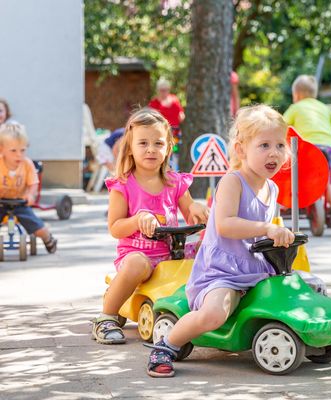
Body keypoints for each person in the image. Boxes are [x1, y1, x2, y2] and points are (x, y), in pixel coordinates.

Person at [146, 104, 295, 378]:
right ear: (241, 150)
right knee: (215, 313)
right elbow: (225, 225)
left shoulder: (272, 188)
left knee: (301, 288)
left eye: (280, 145)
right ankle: (166, 346)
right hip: (222, 272)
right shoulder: (232, 181)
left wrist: (281, 235)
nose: (274, 153)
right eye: (264, 145)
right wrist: (267, 227)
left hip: (257, 269)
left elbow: (264, 233)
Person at [91, 108, 209, 345]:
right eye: (143, 143)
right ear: (130, 148)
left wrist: (197, 209)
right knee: (137, 263)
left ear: (168, 147)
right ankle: (106, 318)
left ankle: (207, 310)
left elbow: (191, 215)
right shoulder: (123, 184)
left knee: (211, 251)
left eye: (158, 143)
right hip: (138, 255)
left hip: (172, 254)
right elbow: (115, 227)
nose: (151, 149)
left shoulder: (174, 182)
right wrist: (137, 220)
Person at [283, 75, 331, 228]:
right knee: (326, 178)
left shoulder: (295, 108)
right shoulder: (324, 108)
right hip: (326, 147)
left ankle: (287, 203)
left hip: (307, 147)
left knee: (293, 173)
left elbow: (281, 127)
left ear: (296, 94)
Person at [0, 123, 57, 253]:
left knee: (38, 228)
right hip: (1, 202)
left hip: (20, 203)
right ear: (1, 149)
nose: (19, 155)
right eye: (13, 151)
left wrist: (31, 195)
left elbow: (33, 183)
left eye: (23, 150)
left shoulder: (27, 164)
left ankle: (48, 238)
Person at [148, 78, 185, 171]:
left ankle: (174, 172)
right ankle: (163, 171)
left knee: (175, 153)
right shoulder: (154, 103)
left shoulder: (174, 99)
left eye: (166, 90)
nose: (164, 92)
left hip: (174, 132)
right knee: (163, 153)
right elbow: (150, 119)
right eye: (162, 90)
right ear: (158, 90)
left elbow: (181, 116)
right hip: (161, 132)